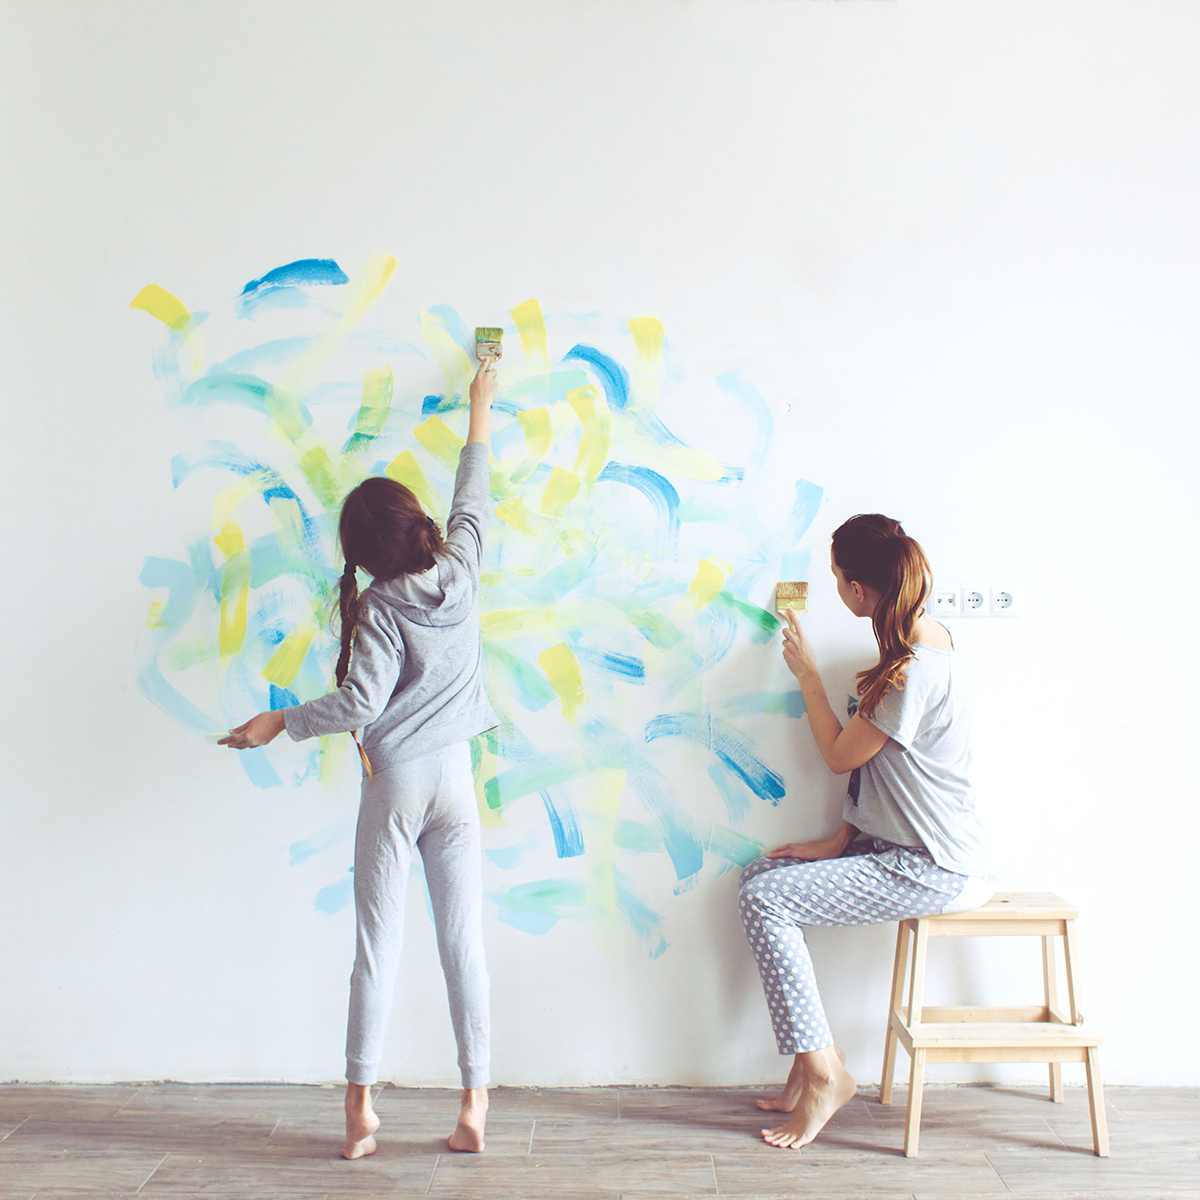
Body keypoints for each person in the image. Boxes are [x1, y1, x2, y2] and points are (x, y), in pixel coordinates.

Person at [220, 357, 501, 1158]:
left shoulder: (379, 606)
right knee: (463, 943)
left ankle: (359, 1110)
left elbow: (360, 706)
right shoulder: (464, 569)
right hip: (457, 778)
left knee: (378, 946)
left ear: (364, 552)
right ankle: (475, 1103)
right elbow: (473, 491)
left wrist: (281, 720)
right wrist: (481, 404)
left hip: (401, 781)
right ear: (417, 525)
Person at [739, 513, 995, 1150]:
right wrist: (838, 841)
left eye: (836, 579)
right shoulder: (919, 637)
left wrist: (806, 677)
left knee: (764, 899)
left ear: (858, 590)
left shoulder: (911, 672)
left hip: (932, 866)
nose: (834, 589)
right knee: (761, 876)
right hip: (900, 849)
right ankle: (808, 1063)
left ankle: (826, 1074)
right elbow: (885, 774)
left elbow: (839, 755)